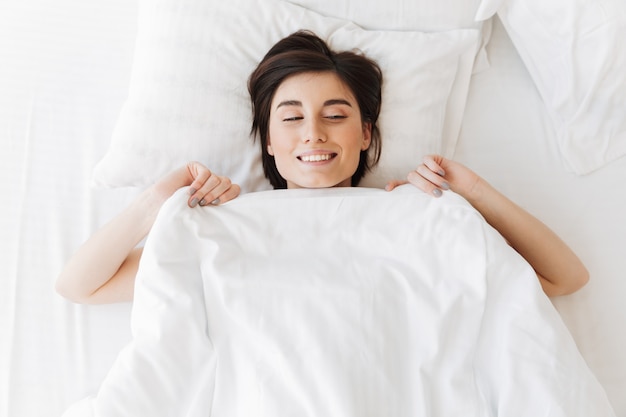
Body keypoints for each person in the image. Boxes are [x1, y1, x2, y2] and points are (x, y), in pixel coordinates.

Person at [55, 31, 588, 304]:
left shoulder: (410, 214)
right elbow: (79, 285)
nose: (314, 132)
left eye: (336, 115)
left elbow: (565, 278)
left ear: (365, 136)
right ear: (269, 139)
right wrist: (162, 197)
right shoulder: (229, 223)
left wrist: (469, 187)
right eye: (292, 118)